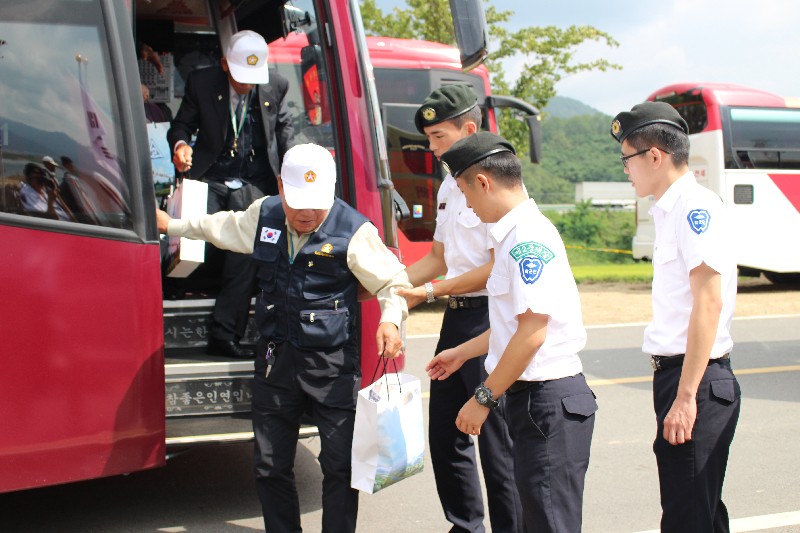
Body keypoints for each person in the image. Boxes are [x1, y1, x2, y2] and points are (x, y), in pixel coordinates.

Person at [156, 142, 411, 533]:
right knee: (270, 465)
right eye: (298, 203)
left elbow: (393, 281)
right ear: (280, 186)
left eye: (317, 204)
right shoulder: (265, 214)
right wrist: (171, 225)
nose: (307, 214)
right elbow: (220, 227)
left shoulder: (354, 230)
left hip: (332, 366)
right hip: (275, 361)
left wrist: (391, 320)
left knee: (340, 466)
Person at [427, 132, 598, 533]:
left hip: (546, 399)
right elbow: (514, 325)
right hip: (537, 400)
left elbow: (532, 333)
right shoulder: (512, 235)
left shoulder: (526, 239)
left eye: (466, 193)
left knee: (549, 523)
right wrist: (463, 352)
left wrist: (483, 398)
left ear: (483, 182)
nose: (468, 204)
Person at [397, 84, 522, 533]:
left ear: (469, 129)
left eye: (439, 137)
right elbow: (437, 257)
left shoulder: (492, 184)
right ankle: (466, 526)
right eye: (428, 138)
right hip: (457, 317)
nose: (431, 148)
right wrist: (390, 283)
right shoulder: (451, 186)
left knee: (496, 443)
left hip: (490, 317)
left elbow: (497, 268)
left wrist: (429, 292)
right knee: (446, 432)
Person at [610, 101, 740, 532]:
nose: (625, 170)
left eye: (627, 158)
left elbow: (709, 303)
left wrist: (685, 398)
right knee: (699, 513)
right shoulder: (670, 210)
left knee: (687, 518)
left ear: (654, 156)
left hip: (695, 380)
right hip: (682, 376)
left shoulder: (694, 209)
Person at [168, 29, 294, 359]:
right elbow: (181, 125)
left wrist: (294, 166)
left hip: (253, 180)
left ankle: (225, 334)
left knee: (245, 250)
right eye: (240, 78)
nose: (247, 85)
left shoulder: (276, 86)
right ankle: (173, 290)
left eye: (253, 79)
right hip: (212, 175)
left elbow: (285, 132)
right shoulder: (202, 82)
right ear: (225, 65)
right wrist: (180, 145)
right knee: (193, 235)